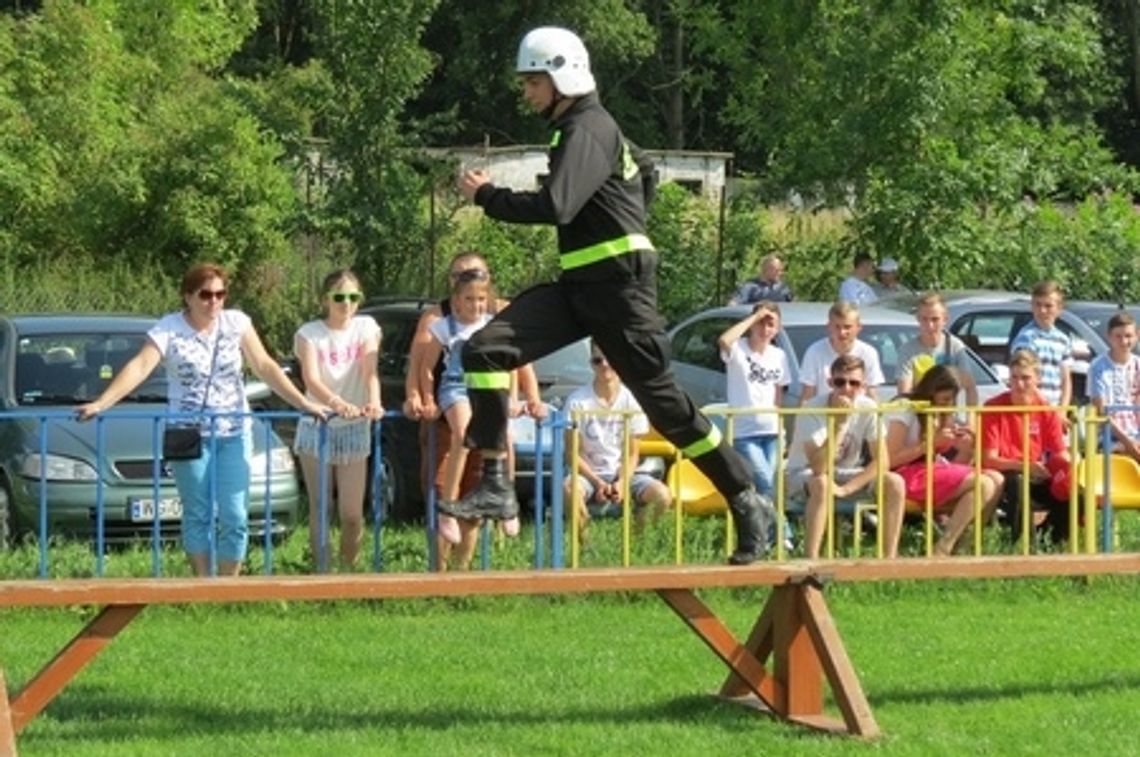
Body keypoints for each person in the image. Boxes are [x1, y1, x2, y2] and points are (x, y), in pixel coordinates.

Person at [454, 26, 774, 565]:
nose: (527, 94)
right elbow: (643, 170)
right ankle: (495, 481)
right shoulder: (588, 130)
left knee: (669, 413)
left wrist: (489, 196)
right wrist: (628, 215)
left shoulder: (588, 127)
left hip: (621, 293)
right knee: (484, 351)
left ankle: (746, 498)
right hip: (581, 287)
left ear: (562, 77)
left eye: (533, 82)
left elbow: (557, 205)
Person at [76, 263, 329, 576]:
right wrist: (103, 402)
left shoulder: (237, 323)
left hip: (234, 431)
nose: (214, 302)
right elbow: (140, 366)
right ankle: (202, 586)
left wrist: (303, 403)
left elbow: (265, 366)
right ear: (188, 297)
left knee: (235, 515)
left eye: (220, 294)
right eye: (206, 295)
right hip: (188, 434)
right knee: (198, 513)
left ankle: (226, 589)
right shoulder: (168, 328)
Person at [405, 252, 542, 571]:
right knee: (456, 453)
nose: (475, 300)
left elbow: (517, 362)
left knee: (501, 443)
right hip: (452, 399)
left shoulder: (498, 315)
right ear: (454, 291)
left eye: (477, 275)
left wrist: (528, 397)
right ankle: (439, 560)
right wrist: (420, 397)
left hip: (487, 393)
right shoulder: (439, 320)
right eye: (460, 276)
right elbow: (420, 363)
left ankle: (503, 509)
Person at [293, 269, 382, 571]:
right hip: (318, 424)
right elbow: (312, 379)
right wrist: (336, 404)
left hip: (355, 427)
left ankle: (349, 573)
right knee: (321, 506)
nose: (347, 304)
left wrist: (374, 400)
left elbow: (370, 369)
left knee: (352, 513)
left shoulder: (367, 326)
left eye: (353, 297)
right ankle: (321, 575)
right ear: (326, 300)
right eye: (339, 297)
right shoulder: (309, 333)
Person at [784, 355, 906, 559]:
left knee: (895, 482)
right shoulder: (811, 408)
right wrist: (840, 425)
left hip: (845, 474)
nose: (847, 388)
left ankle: (889, 560)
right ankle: (810, 561)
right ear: (830, 382)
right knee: (822, 483)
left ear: (863, 386)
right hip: (802, 473)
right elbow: (818, 467)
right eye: (840, 382)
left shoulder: (868, 407)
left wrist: (846, 489)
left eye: (854, 383)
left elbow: (882, 460)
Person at [885, 365, 1003, 555]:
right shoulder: (907, 408)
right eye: (945, 399)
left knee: (996, 479)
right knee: (983, 483)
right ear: (931, 392)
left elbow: (953, 460)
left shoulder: (942, 411)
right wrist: (931, 443)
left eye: (952, 400)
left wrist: (966, 445)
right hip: (905, 473)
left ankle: (966, 542)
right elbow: (889, 459)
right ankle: (945, 547)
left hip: (931, 470)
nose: (949, 404)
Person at [564, 343, 672, 537]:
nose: (605, 365)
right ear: (591, 364)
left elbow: (632, 454)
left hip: (624, 473)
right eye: (598, 360)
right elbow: (572, 454)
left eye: (610, 359)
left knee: (662, 495)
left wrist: (622, 482)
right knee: (569, 489)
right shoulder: (577, 401)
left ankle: (634, 542)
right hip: (588, 474)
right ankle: (584, 547)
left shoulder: (632, 401)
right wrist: (597, 483)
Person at [981, 349, 1072, 544]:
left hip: (1037, 471)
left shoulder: (1046, 409)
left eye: (1026, 378)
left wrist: (1071, 467)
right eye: (1014, 378)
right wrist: (1025, 466)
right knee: (1017, 482)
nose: (1019, 384)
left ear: (1038, 379)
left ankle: (1051, 541)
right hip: (1006, 473)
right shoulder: (993, 408)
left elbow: (1059, 453)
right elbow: (989, 459)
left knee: (1074, 488)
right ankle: (1024, 544)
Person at [716, 302, 790, 498]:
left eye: (770, 324)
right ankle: (783, 529)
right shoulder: (738, 349)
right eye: (761, 323)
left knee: (768, 486)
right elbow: (724, 340)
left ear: (778, 328)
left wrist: (781, 429)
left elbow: (778, 393)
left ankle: (761, 527)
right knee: (766, 482)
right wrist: (753, 318)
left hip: (771, 431)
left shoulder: (779, 355)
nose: (765, 329)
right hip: (744, 432)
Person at [896, 292, 980, 411]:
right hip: (919, 418)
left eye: (935, 319)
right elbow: (904, 394)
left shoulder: (955, 347)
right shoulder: (907, 350)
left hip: (948, 417)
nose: (929, 325)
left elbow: (970, 387)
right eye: (924, 319)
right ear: (918, 319)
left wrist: (970, 422)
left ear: (945, 320)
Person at [798, 301, 885, 405]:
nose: (842, 332)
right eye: (837, 327)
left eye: (847, 327)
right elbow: (807, 395)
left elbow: (872, 393)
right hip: (824, 416)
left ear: (859, 327)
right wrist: (802, 419)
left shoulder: (869, 353)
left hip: (858, 417)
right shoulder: (814, 352)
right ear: (829, 326)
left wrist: (877, 419)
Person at [1010, 280, 1073, 409]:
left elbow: (1066, 378)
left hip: (1054, 408)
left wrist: (1063, 409)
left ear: (1059, 309)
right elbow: (1025, 375)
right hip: (1034, 407)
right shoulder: (1027, 337)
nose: (1042, 310)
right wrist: (1046, 407)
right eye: (1038, 305)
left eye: (1048, 306)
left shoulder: (1063, 339)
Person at [1086, 311, 1140, 461]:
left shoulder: (1138, 365)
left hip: (1135, 433)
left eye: (1128, 336)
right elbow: (1102, 412)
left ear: (1137, 336)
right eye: (1118, 336)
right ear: (1109, 336)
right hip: (1110, 436)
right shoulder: (1098, 367)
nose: (1124, 341)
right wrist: (1128, 443)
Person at [728, 254, 793, 305]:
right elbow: (734, 304)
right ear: (767, 269)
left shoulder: (783, 288)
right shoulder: (749, 287)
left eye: (781, 270)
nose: (780, 273)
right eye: (777, 270)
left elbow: (792, 306)